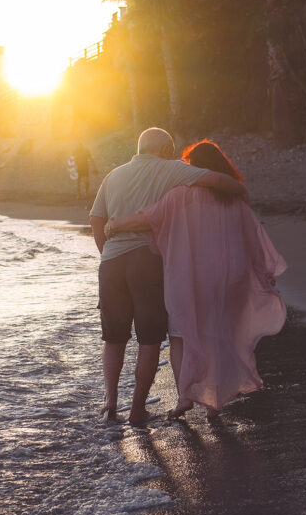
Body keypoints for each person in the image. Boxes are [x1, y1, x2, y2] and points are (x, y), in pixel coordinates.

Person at [104, 139, 287, 419]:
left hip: (191, 275)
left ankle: (185, 398)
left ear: (195, 169)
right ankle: (215, 403)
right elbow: (253, 236)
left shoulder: (180, 195)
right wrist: (263, 272)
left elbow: (146, 219)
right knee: (220, 335)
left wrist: (115, 225)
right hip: (231, 275)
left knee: (180, 336)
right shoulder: (233, 198)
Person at [89, 128, 249, 425]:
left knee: (113, 338)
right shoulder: (171, 170)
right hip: (147, 261)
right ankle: (137, 409)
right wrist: (240, 189)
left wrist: (105, 252)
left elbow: (97, 218)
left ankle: (110, 401)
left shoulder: (113, 176)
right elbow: (216, 180)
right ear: (164, 150)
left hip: (111, 263)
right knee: (149, 340)